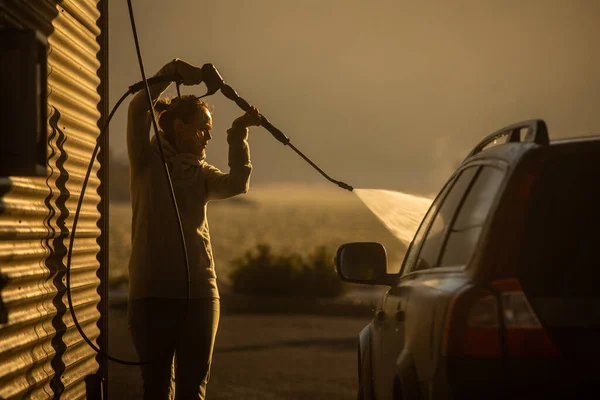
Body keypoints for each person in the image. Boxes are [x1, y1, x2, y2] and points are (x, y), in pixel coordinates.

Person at [126, 58, 261, 399]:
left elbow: (236, 184)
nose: (207, 138)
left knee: (192, 391)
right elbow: (138, 106)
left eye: (212, 133)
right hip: (150, 294)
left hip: (201, 294)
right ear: (180, 127)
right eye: (203, 129)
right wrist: (175, 70)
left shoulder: (201, 173)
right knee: (156, 389)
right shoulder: (145, 161)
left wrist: (237, 136)